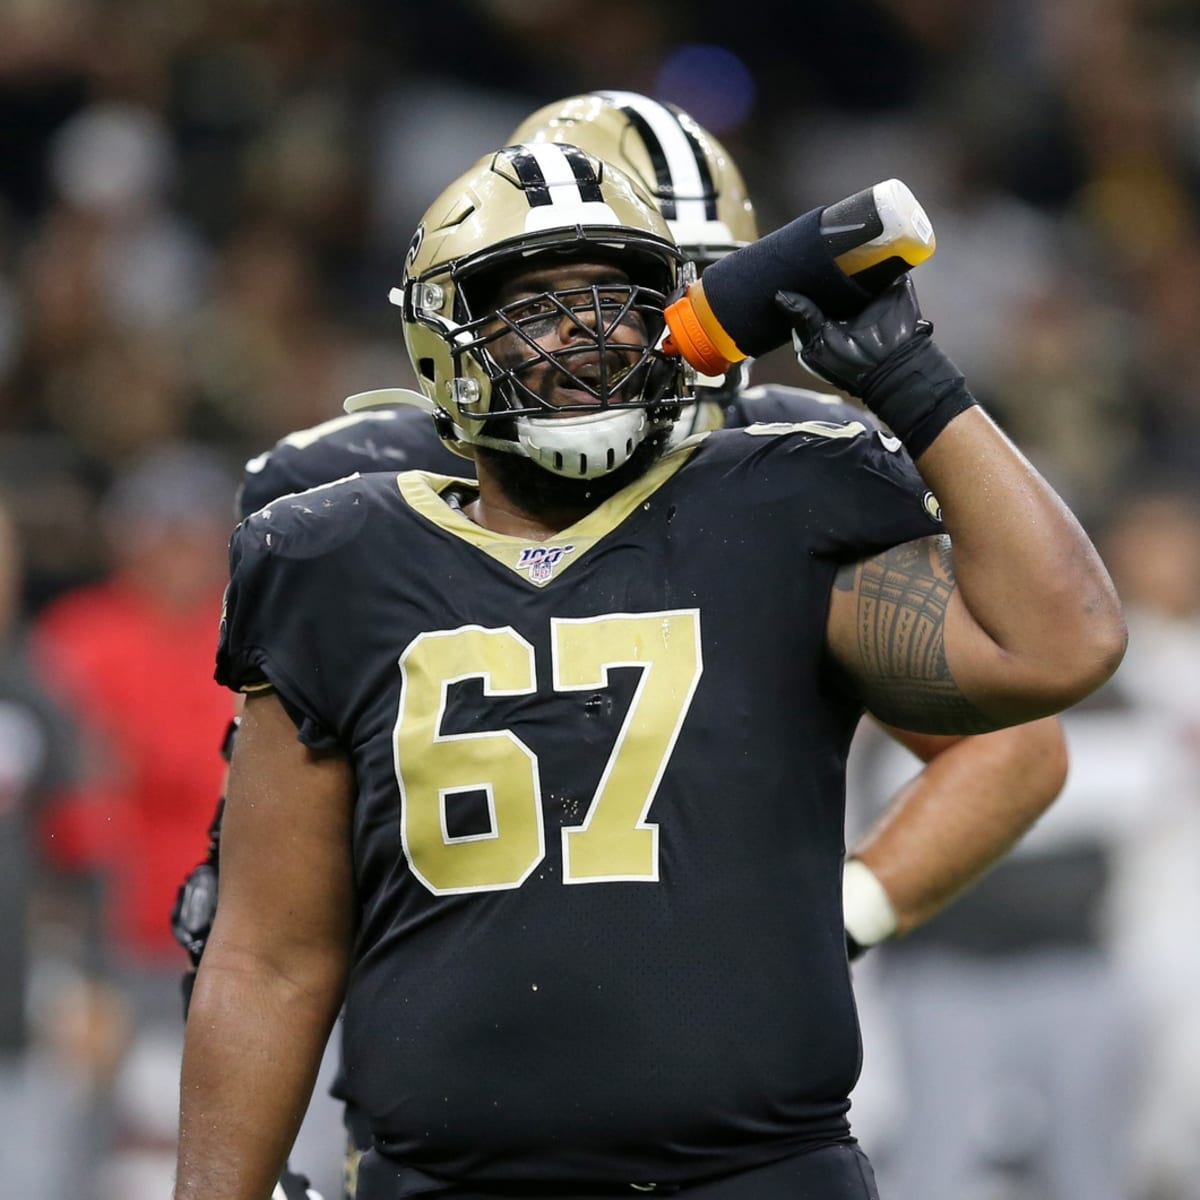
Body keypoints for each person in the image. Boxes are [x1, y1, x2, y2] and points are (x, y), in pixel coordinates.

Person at [173, 136, 1123, 1200]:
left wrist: (914, 381)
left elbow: (1061, 643)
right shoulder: (335, 549)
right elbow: (269, 957)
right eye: (536, 299)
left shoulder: (771, 504)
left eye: (615, 294)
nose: (585, 326)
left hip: (757, 1174)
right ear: (446, 339)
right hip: (447, 1179)